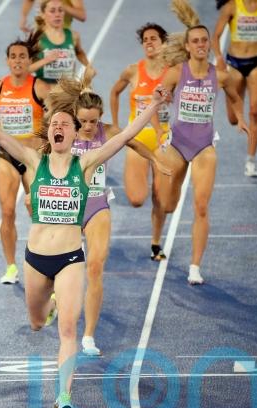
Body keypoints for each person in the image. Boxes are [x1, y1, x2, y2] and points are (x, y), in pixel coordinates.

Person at [0, 75, 166, 408]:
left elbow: (125, 135)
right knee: (37, 322)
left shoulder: (85, 164)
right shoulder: (34, 160)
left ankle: (64, 395)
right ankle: (48, 307)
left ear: (73, 134)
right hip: (36, 260)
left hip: (70, 259)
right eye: (54, 123)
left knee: (68, 330)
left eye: (65, 124)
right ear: (50, 132)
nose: (58, 127)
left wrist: (155, 104)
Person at [53, 73, 171, 357]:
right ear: (75, 117)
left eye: (93, 121)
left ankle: (88, 336)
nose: (88, 127)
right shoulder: (63, 132)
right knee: (62, 269)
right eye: (83, 121)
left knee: (95, 268)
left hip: (97, 204)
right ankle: (54, 297)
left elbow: (134, 140)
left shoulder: (108, 132)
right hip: (67, 207)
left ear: (100, 118)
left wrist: (155, 159)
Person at [154, 23, 249, 285]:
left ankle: (195, 267)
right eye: (195, 41)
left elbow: (235, 97)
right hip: (177, 145)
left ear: (209, 45)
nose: (200, 45)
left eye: (204, 40)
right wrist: (160, 129)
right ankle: (167, 206)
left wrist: (240, 118)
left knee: (201, 206)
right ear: (187, 46)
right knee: (168, 204)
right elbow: (157, 101)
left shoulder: (220, 76)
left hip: (204, 146)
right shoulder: (176, 73)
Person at [0, 38, 51, 284]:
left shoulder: (40, 87)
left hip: (32, 158)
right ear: (7, 61)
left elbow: (56, 117)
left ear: (30, 61)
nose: (17, 60)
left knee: (38, 212)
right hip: (7, 156)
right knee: (7, 211)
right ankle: (11, 267)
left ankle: (47, 261)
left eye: (22, 56)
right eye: (13, 56)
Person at [109, 22, 171, 262]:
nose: (149, 42)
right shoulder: (133, 71)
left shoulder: (173, 72)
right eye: (145, 39)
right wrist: (116, 125)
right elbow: (114, 92)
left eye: (154, 38)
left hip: (163, 139)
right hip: (137, 137)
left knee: (161, 199)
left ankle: (155, 244)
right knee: (136, 199)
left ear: (163, 42)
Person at [212, 0, 257, 177]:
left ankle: (250, 160)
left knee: (255, 112)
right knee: (233, 119)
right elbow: (215, 36)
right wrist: (219, 57)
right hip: (234, 64)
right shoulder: (231, 7)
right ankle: (235, 101)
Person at [28, 0, 90, 86]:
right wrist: (46, 60)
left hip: (66, 90)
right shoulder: (37, 39)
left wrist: (88, 66)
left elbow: (79, 52)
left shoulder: (73, 36)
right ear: (42, 14)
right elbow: (25, 70)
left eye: (60, 10)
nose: (57, 14)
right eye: (52, 11)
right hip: (44, 91)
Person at [19, 0, 86, 33]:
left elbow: (82, 15)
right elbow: (29, 1)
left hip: (62, 35)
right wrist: (23, 17)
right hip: (40, 33)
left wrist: (61, 6)